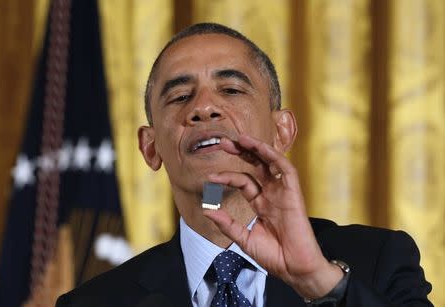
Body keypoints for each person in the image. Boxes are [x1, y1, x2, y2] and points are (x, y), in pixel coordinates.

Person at [56, 23, 432, 307]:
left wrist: (322, 283)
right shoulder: (94, 302)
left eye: (232, 90)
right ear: (150, 147)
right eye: (181, 96)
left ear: (282, 131)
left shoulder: (378, 260)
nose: (203, 107)